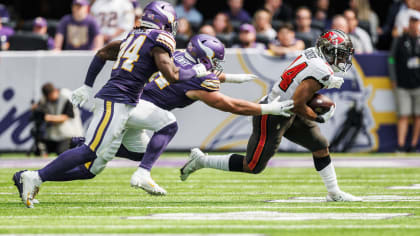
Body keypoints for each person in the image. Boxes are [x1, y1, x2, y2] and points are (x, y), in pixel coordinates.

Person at [13, 1, 208, 208]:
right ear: (163, 21)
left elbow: (102, 53)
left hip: (129, 102)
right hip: (116, 101)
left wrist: (88, 85)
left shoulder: (134, 36)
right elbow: (173, 75)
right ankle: (36, 176)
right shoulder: (160, 39)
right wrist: (198, 71)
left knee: (167, 124)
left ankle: (143, 172)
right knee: (89, 153)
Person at [68, 34, 293, 195]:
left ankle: (84, 149)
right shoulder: (199, 77)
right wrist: (267, 108)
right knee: (165, 127)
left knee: (144, 151)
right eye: (214, 59)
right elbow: (231, 105)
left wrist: (231, 77)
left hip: (129, 103)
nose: (215, 65)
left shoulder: (175, 55)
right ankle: (140, 173)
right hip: (134, 109)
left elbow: (199, 72)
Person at [181, 29, 362, 202]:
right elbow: (299, 104)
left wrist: (326, 81)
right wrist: (317, 117)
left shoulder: (313, 53)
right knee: (252, 165)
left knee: (320, 145)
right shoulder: (321, 70)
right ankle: (201, 160)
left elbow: (301, 80)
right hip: (274, 112)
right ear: (329, 51)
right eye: (341, 53)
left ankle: (334, 192)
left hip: (287, 107)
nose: (344, 58)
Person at [389, 16, 420, 152]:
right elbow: (391, 59)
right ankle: (400, 145)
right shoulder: (400, 40)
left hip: (418, 84)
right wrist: (393, 78)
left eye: (417, 22)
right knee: (403, 115)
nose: (414, 25)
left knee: (418, 115)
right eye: (412, 22)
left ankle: (414, 145)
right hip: (402, 83)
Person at [31, 83, 84, 156]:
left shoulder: (66, 97)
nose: (50, 99)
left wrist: (48, 118)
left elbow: (65, 117)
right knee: (39, 151)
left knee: (62, 152)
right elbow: (38, 109)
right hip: (54, 136)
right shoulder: (45, 100)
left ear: (55, 91)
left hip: (70, 136)